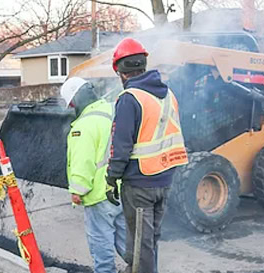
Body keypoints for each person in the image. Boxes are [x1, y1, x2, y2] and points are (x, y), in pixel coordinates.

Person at [105, 38, 189, 273]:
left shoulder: (129, 98)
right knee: (149, 241)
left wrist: (112, 178)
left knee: (141, 245)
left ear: (120, 72)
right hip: (165, 178)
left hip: (140, 183)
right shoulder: (167, 94)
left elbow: (121, 145)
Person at [60, 77, 126, 273]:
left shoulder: (84, 126)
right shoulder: (114, 111)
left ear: (75, 101)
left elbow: (83, 162)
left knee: (101, 246)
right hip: (122, 189)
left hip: (98, 195)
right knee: (128, 242)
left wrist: (77, 191)